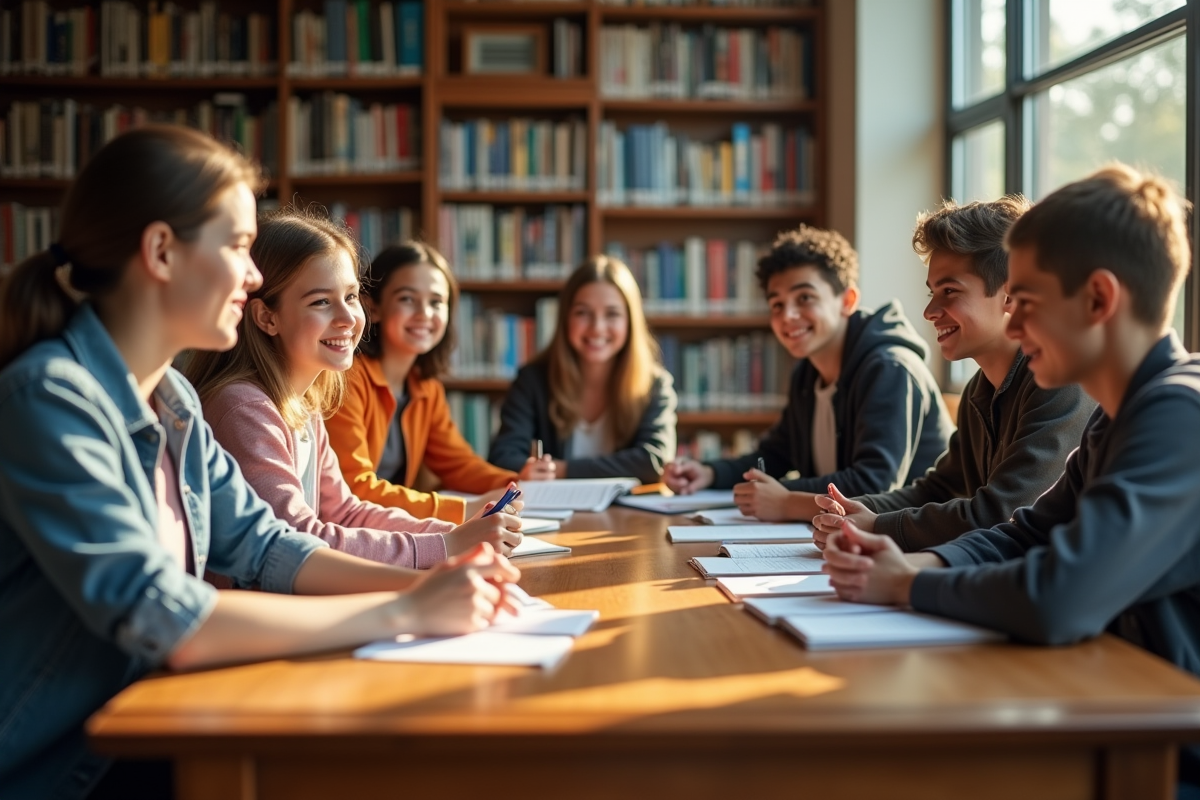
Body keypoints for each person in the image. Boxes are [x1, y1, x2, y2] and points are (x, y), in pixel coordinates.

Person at [0, 127, 517, 800]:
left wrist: (427, 588)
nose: (252, 276)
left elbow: (267, 544)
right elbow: (165, 615)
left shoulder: (176, 399)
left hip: (154, 727)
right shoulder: (49, 398)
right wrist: (405, 609)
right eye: (239, 246)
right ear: (161, 252)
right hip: (65, 770)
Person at [819, 164, 1200, 794]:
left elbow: (1061, 597)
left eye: (1025, 302)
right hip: (1117, 710)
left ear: (1099, 299)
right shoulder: (1119, 415)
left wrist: (908, 587)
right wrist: (911, 563)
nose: (1014, 327)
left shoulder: (1178, 415)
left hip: (1165, 757)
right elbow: (1026, 532)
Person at [185, 212, 524, 565]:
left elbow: (345, 512)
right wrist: (446, 544)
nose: (348, 318)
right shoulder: (244, 408)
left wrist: (454, 534)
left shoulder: (304, 405)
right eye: (321, 301)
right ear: (267, 317)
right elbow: (298, 538)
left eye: (350, 297)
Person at [809, 197, 1094, 549]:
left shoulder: (1062, 381)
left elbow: (1001, 512)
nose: (930, 311)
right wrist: (855, 511)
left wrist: (879, 526)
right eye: (933, 292)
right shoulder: (979, 390)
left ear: (1010, 295)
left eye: (949, 291)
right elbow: (938, 489)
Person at [663, 225, 952, 520]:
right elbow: (776, 455)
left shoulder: (889, 368)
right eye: (777, 304)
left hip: (914, 536)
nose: (788, 316)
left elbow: (873, 483)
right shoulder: (807, 373)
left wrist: (784, 497)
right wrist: (710, 473)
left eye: (804, 298)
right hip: (840, 532)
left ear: (847, 301)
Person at [325, 242, 522, 525]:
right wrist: (463, 509)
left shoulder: (425, 386)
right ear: (372, 307)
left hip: (389, 528)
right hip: (349, 530)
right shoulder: (347, 378)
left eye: (436, 302)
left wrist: (517, 483)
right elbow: (354, 488)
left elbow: (457, 464)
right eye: (407, 299)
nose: (424, 314)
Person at [488, 255, 677, 483]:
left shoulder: (654, 385)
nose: (597, 328)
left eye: (612, 314)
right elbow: (502, 458)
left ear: (630, 321)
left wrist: (562, 470)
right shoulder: (532, 380)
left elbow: (653, 461)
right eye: (583, 313)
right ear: (565, 319)